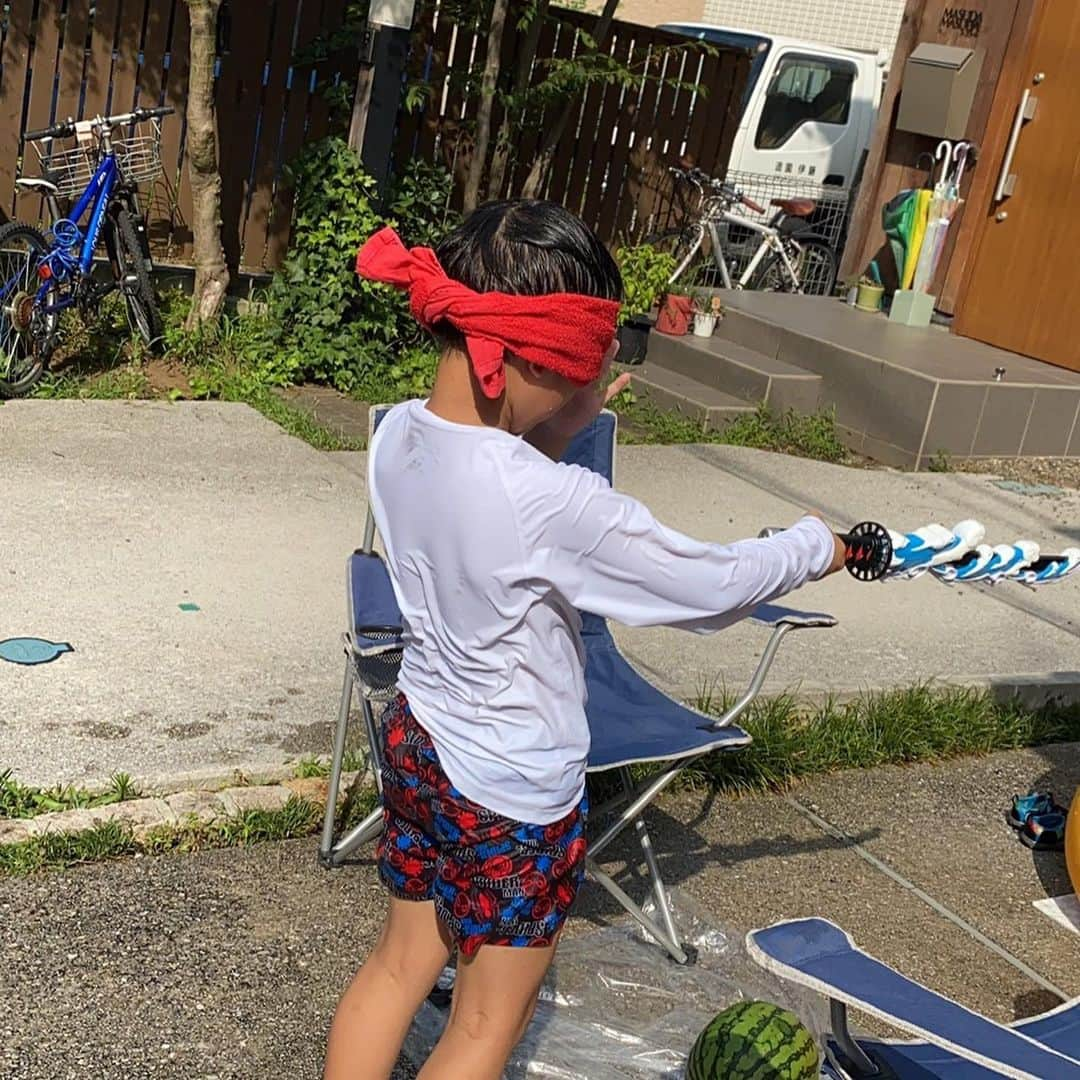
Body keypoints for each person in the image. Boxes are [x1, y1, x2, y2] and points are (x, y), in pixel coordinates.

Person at [323, 200, 847, 1080]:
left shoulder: (398, 436)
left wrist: (557, 419)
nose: (593, 387)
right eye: (587, 367)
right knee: (486, 1026)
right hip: (510, 790)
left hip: (419, 741)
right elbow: (710, 589)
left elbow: (492, 496)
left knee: (398, 965)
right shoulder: (545, 501)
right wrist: (814, 546)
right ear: (535, 356)